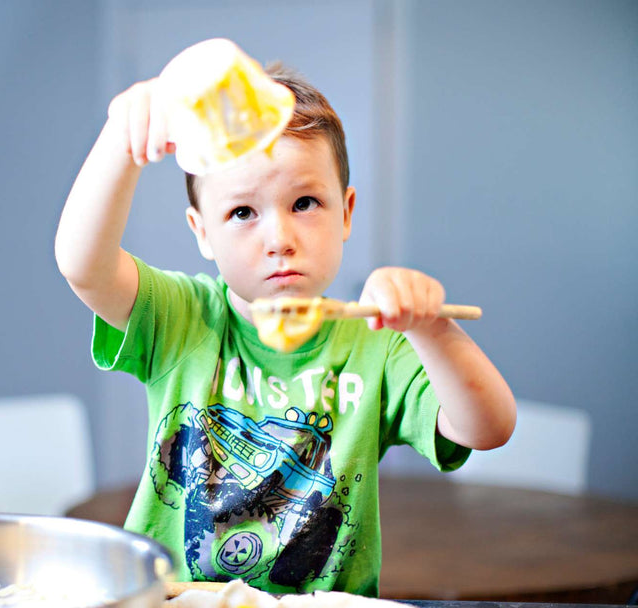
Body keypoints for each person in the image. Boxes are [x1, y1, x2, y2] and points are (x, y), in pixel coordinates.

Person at [54, 54, 516, 596]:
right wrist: (122, 140)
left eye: (304, 203)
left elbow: (489, 428)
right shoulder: (183, 318)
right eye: (243, 213)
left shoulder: (378, 341)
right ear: (202, 232)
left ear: (346, 213)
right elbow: (82, 265)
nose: (279, 238)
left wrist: (430, 328)